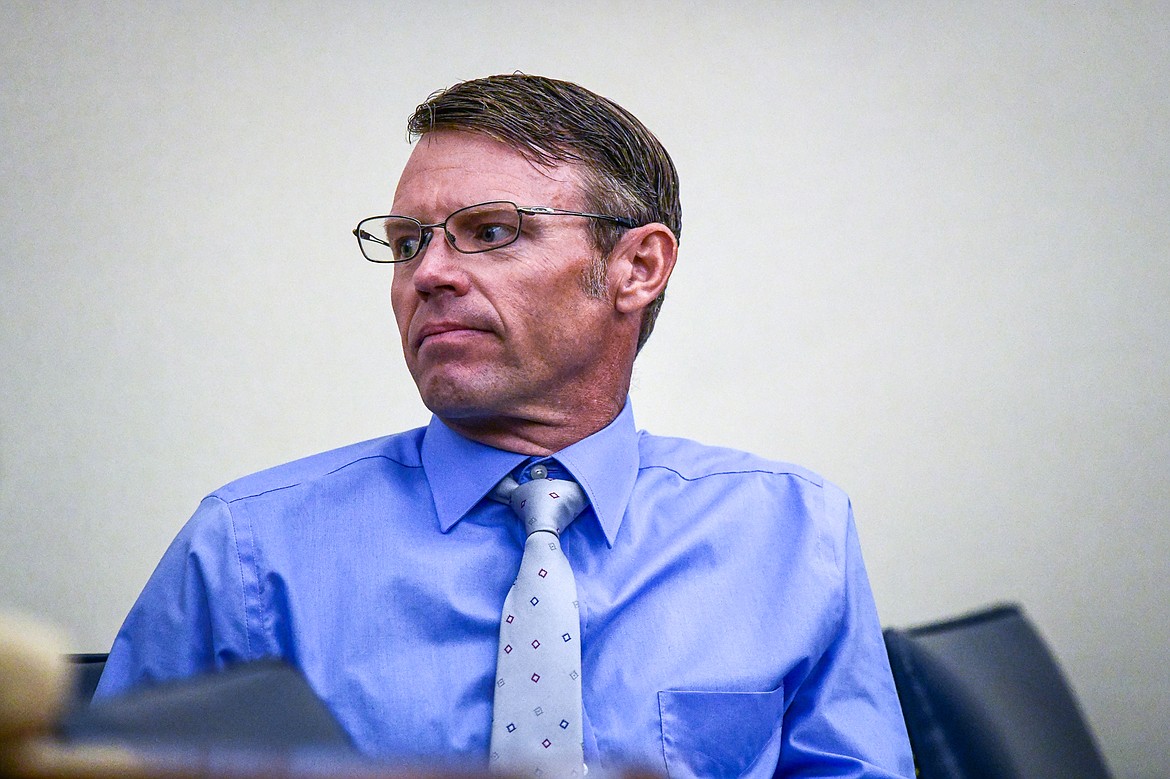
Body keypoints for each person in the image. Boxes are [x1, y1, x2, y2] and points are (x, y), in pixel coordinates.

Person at [96, 74, 915, 777]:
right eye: (408, 242)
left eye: (490, 232)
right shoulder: (247, 551)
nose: (430, 274)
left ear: (636, 267)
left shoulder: (791, 534)